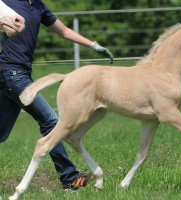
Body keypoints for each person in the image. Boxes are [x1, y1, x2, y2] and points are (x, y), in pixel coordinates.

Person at [0, 0, 113, 190]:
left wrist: (93, 45)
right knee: (52, 121)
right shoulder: (8, 2)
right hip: (11, 74)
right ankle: (69, 178)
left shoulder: (39, 7)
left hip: (20, 74)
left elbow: (64, 31)